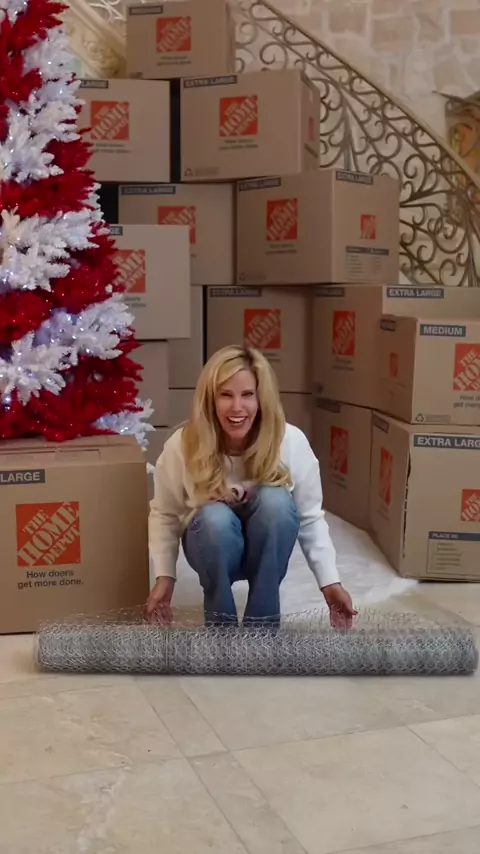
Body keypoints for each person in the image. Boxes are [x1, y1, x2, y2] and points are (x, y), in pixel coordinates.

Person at [146, 345, 356, 628]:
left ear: (261, 398)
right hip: (212, 545)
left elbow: (309, 517)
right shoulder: (182, 445)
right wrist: (165, 578)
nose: (237, 407)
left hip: (268, 549)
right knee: (213, 518)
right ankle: (221, 631)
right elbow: (165, 514)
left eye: (247, 395)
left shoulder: (289, 441)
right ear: (210, 400)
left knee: (276, 502)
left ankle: (262, 629)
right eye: (225, 395)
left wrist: (330, 583)